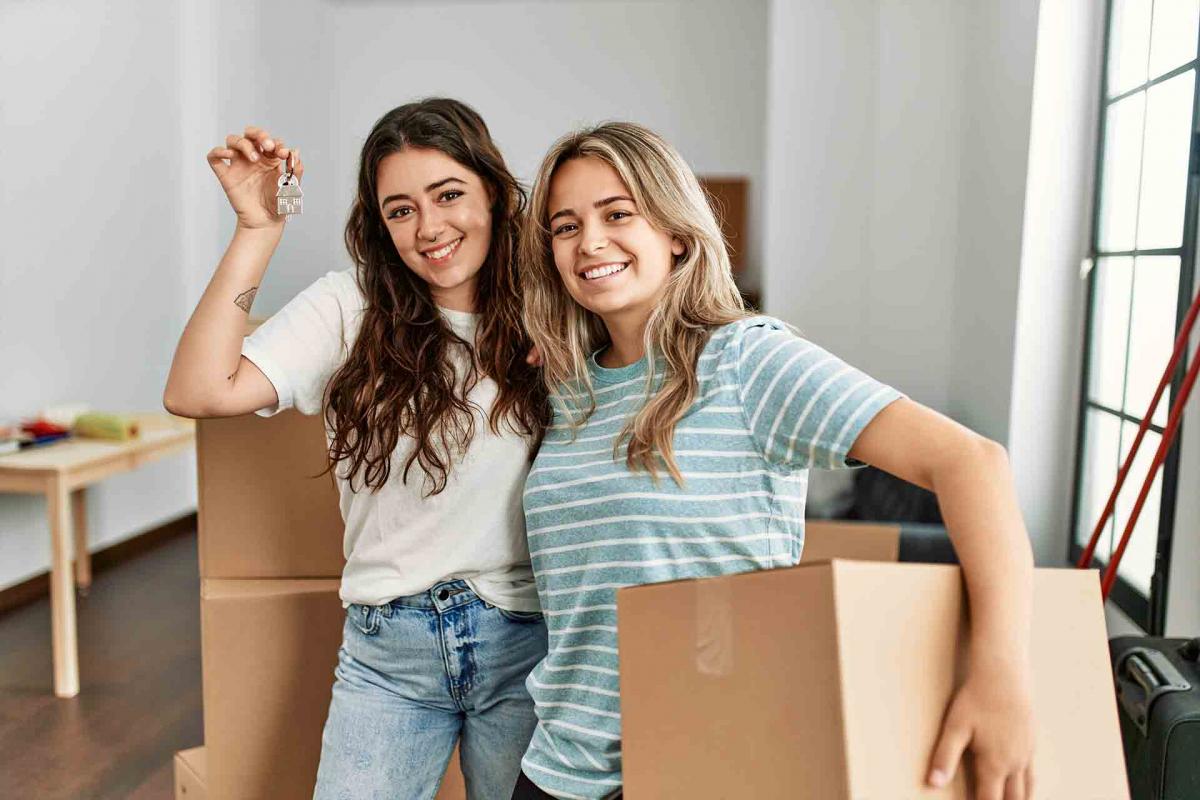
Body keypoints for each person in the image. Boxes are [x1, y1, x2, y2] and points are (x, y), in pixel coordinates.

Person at [511, 122, 1035, 800]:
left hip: (710, 766)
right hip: (557, 770)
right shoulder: (565, 388)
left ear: (676, 232)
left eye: (618, 214)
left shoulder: (746, 360)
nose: (589, 242)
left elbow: (972, 463)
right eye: (565, 226)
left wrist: (1001, 672)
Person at [164, 98, 550, 800]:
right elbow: (197, 390)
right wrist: (258, 229)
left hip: (530, 643)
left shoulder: (549, 306)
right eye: (401, 210)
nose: (428, 228)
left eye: (449, 195)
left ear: (493, 192)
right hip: (390, 655)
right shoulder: (349, 306)